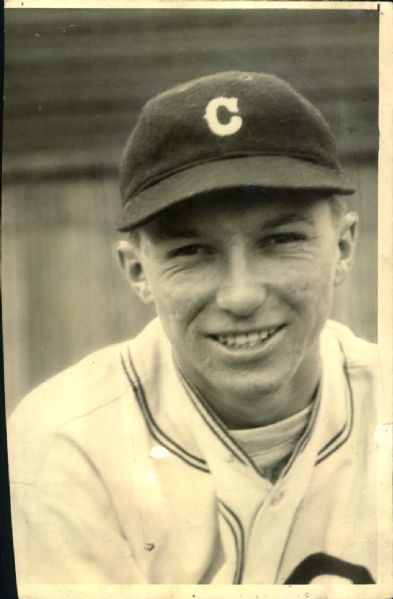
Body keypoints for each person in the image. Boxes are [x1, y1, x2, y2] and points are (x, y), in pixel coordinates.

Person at [8, 71, 379, 585]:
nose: (241, 295)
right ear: (138, 271)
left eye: (280, 240)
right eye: (192, 251)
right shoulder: (65, 443)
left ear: (343, 246)